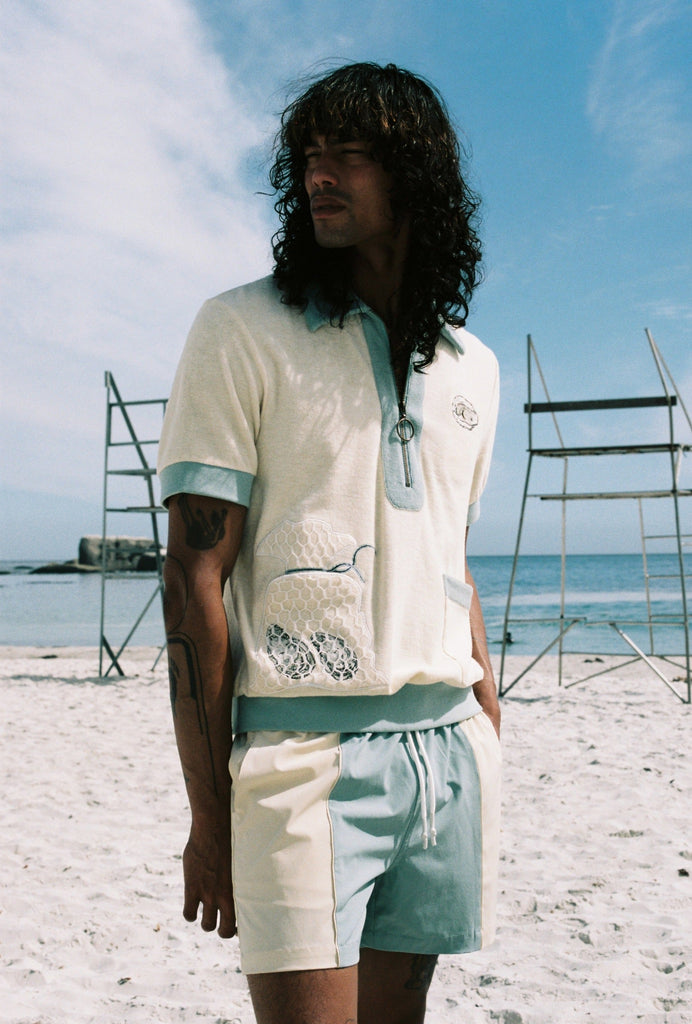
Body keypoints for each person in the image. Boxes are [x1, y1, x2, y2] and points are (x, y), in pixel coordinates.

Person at [157, 61, 501, 1024]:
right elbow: (193, 575)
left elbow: (449, 547)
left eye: (350, 154)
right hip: (299, 757)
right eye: (310, 156)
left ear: (416, 175)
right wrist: (208, 811)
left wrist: (484, 701)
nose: (320, 175)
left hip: (446, 757)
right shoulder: (240, 329)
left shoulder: (474, 366)